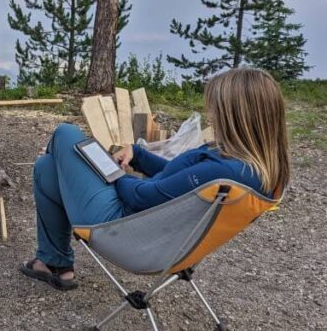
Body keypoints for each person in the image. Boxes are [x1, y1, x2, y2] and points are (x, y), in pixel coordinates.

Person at [20, 66, 291, 290]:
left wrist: (111, 172)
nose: (212, 115)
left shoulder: (224, 172)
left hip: (123, 225)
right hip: (162, 235)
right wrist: (137, 155)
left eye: (217, 109)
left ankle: (55, 259)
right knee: (47, 168)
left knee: (65, 133)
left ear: (237, 116)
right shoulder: (257, 169)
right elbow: (177, 181)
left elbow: (141, 196)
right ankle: (55, 265)